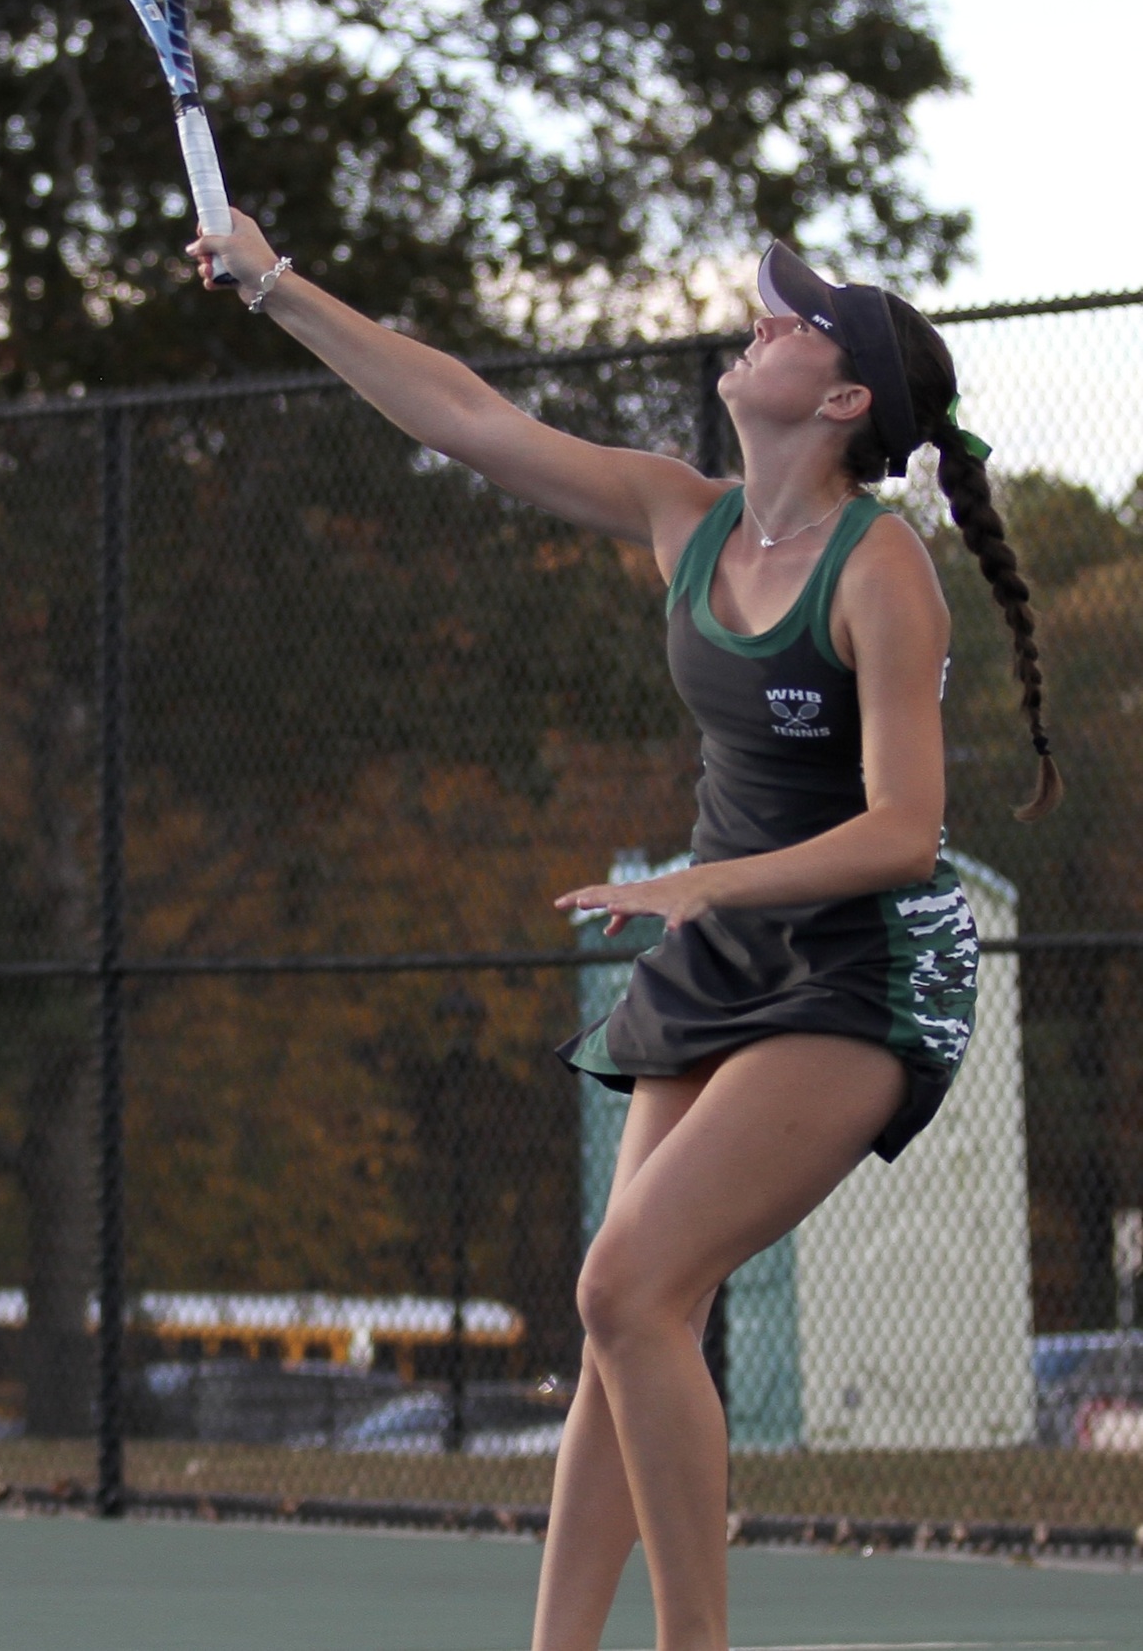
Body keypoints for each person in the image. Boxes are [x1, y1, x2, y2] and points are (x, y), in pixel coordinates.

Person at [187, 214, 1061, 1651]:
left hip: (865, 961)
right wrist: (278, 289)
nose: (761, 322)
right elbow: (467, 416)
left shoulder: (879, 566)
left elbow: (909, 828)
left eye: (797, 323)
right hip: (720, 947)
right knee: (627, 1315)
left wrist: (704, 886)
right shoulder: (685, 509)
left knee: (625, 1283)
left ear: (844, 403)